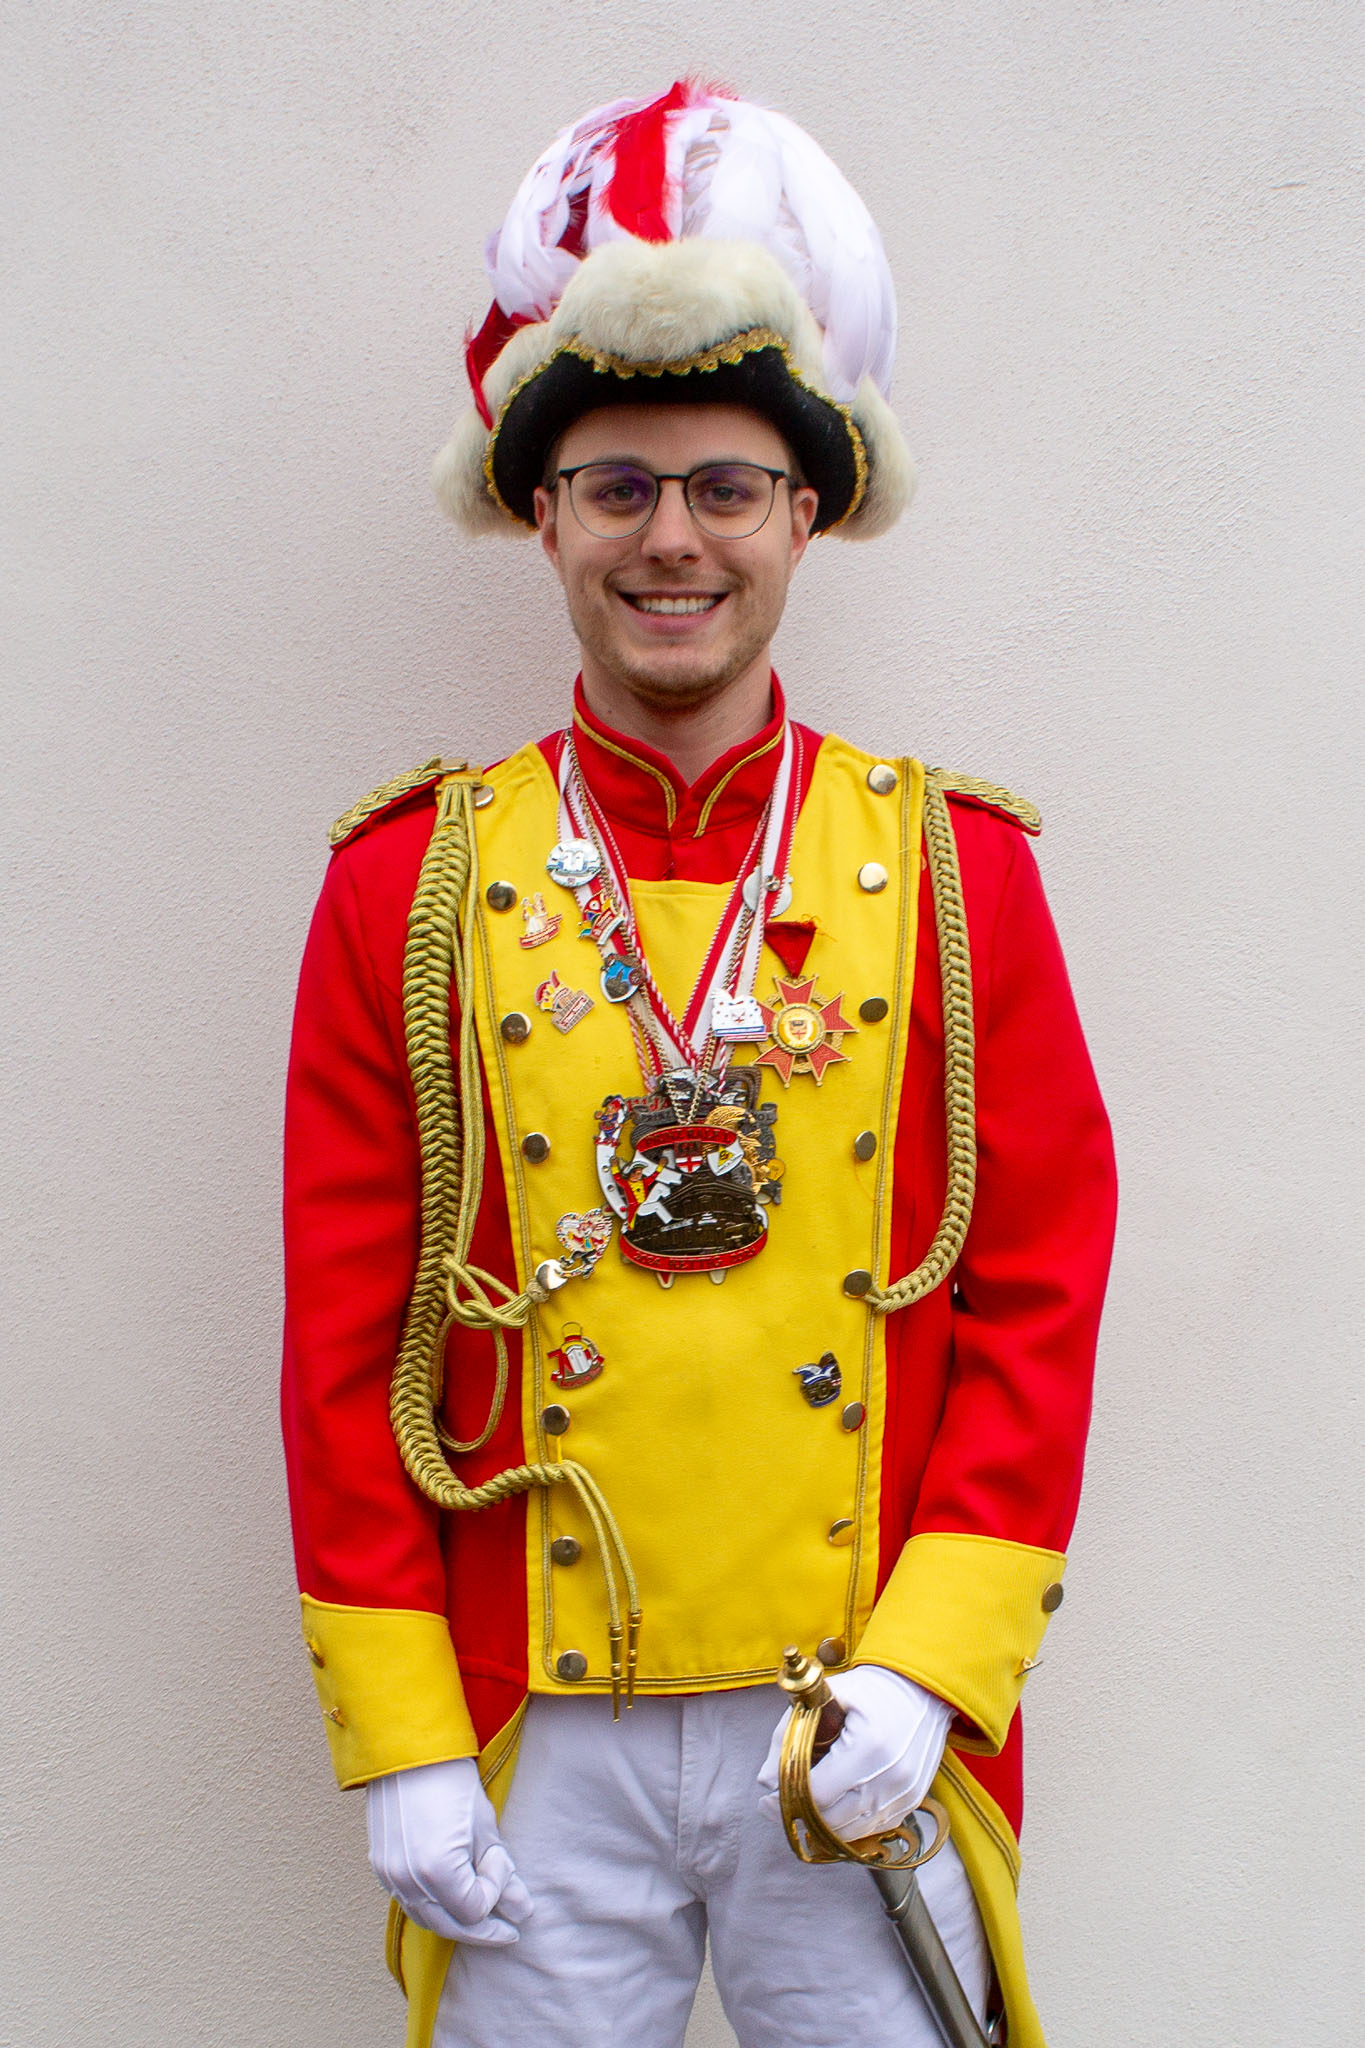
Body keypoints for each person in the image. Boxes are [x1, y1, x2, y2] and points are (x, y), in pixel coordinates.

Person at [282, 81, 1116, 2048]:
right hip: (533, 1720)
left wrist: (934, 1664)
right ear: (540, 513)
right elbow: (346, 1339)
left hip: (855, 1710)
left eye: (727, 486)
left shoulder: (954, 873)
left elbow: (1035, 1293)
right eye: (618, 487)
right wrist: (400, 1727)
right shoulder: (408, 885)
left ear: (807, 512)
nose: (673, 539)